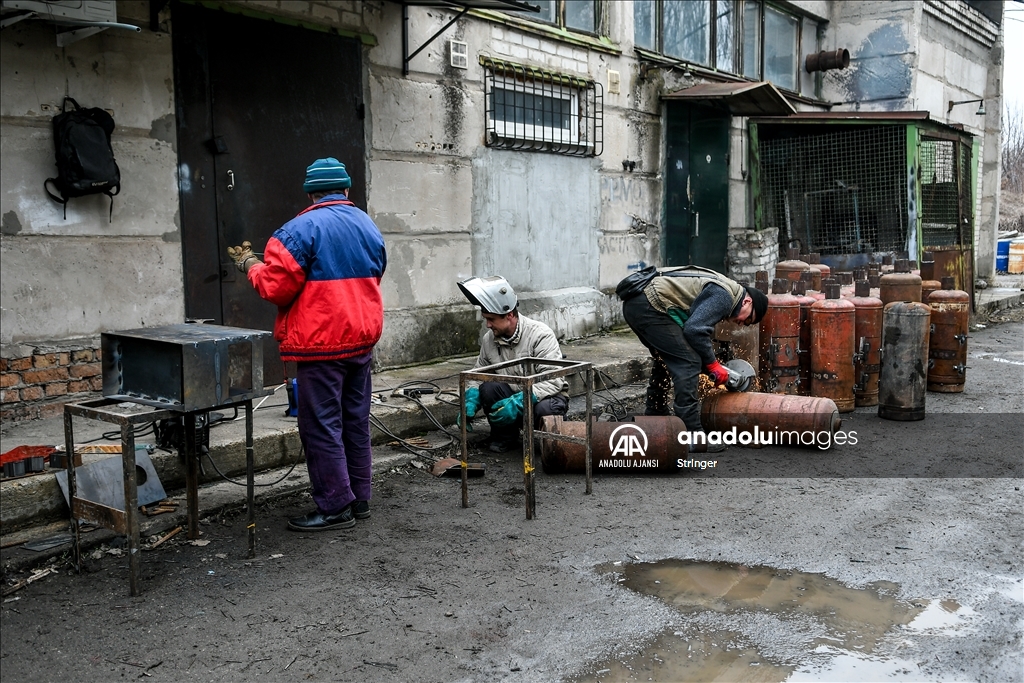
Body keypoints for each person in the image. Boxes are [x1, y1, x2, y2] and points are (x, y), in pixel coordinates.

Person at [227, 157, 386, 531]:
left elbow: (275, 288)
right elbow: (376, 271)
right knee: (354, 420)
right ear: (345, 189)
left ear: (311, 194)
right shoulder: (368, 225)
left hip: (321, 345)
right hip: (360, 341)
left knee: (321, 425)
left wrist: (250, 264)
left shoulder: (298, 231)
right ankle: (359, 499)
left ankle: (335, 506)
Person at [619, 265, 767, 453]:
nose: (742, 324)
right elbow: (695, 330)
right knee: (688, 362)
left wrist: (710, 364)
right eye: (748, 320)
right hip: (649, 306)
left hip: (638, 303)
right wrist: (713, 365)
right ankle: (692, 434)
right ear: (747, 301)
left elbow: (693, 330)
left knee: (669, 358)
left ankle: (655, 414)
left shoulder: (726, 290)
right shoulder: (725, 297)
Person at [457, 276, 569, 452]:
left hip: (545, 397)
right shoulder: (489, 340)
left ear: (509, 315)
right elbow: (478, 374)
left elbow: (553, 381)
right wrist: (470, 399)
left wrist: (520, 401)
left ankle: (550, 442)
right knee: (487, 388)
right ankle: (505, 438)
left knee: (545, 408)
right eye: (486, 319)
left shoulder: (540, 335)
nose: (488, 325)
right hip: (512, 394)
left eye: (491, 319)